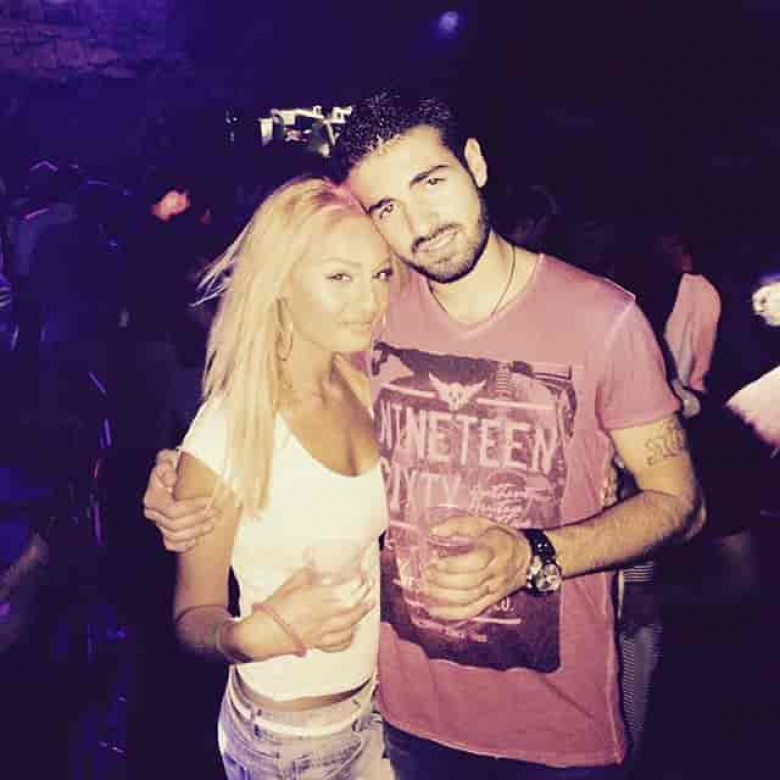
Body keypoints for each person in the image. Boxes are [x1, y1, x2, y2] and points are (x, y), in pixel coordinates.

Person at [144, 91, 704, 778]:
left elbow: (681, 502)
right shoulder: (380, 317)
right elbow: (277, 409)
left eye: (431, 182)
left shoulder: (604, 320)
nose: (418, 223)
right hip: (404, 722)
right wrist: (183, 476)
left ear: (475, 163)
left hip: (555, 728)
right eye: (386, 207)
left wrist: (536, 554)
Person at [163, 175, 394, 779]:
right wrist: (252, 638)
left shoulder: (366, 384)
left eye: (381, 274)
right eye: (340, 277)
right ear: (282, 280)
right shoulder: (228, 430)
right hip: (286, 740)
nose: (371, 300)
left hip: (382, 707)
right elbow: (192, 617)